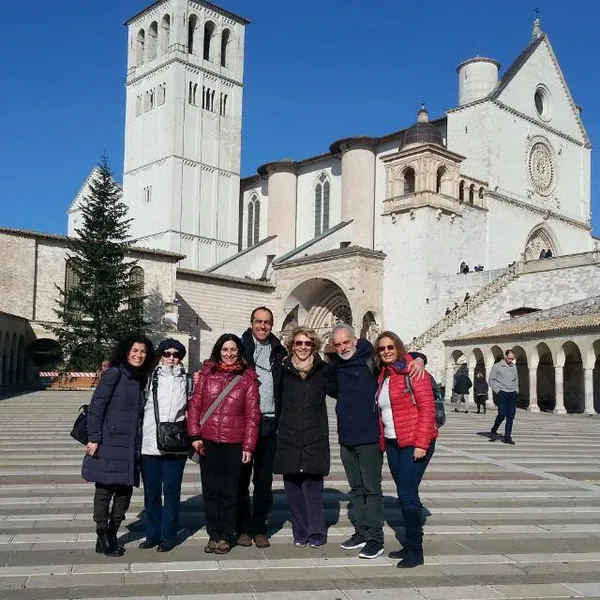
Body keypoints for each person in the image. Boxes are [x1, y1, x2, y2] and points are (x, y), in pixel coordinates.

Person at [328, 323, 426, 559]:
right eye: (338, 344)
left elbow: (400, 359)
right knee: (356, 488)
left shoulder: (370, 358)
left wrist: (420, 358)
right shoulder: (335, 367)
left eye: (346, 342)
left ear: (354, 339)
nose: (343, 347)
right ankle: (361, 532)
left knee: (372, 489)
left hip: (370, 437)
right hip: (346, 437)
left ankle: (375, 538)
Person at [82, 333, 155, 557]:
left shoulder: (142, 377)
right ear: (126, 352)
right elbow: (97, 406)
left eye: (142, 352)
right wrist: (93, 437)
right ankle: (102, 533)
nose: (138, 355)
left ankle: (112, 533)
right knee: (104, 489)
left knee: (124, 491)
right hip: (109, 441)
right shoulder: (114, 373)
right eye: (134, 351)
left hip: (132, 443)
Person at [187, 334, 260, 555]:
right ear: (219, 351)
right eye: (225, 350)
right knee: (211, 491)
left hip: (234, 443)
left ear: (239, 352)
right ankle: (214, 534)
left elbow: (253, 415)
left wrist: (248, 446)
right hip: (208, 442)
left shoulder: (247, 378)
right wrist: (194, 435)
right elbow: (194, 407)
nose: (229, 354)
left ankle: (227, 535)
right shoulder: (207, 375)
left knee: (230, 492)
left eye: (233, 350)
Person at [374, 331, 437, 569]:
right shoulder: (384, 374)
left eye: (390, 347)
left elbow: (428, 409)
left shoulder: (414, 371)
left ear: (399, 348)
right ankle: (410, 544)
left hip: (414, 442)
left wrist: (422, 444)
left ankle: (415, 549)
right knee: (406, 493)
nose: (387, 351)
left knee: (407, 494)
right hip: (393, 443)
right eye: (382, 348)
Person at [274, 327, 330, 548]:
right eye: (299, 343)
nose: (303, 347)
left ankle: (316, 531)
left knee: (313, 488)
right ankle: (300, 532)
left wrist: (417, 359)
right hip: (288, 434)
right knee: (293, 489)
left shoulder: (323, 370)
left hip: (314, 436)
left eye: (307, 343)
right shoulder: (282, 369)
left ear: (314, 346)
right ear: (291, 346)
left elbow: (345, 374)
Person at [237, 306, 287, 549]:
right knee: (241, 478)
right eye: (258, 321)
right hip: (245, 422)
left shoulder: (279, 351)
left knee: (264, 481)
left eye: (267, 322)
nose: (263, 326)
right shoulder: (240, 347)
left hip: (270, 421)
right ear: (251, 322)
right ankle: (243, 527)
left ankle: (259, 528)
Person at [139, 338, 190, 553]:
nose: (171, 358)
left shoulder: (188, 380)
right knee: (151, 492)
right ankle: (152, 534)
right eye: (167, 353)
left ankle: (168, 536)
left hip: (176, 444)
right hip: (150, 443)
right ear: (160, 355)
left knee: (171, 491)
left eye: (176, 354)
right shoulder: (149, 378)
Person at [488, 349, 519, 444]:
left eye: (512, 359)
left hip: (512, 393)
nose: (511, 360)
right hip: (502, 393)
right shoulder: (497, 367)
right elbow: (491, 380)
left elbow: (516, 379)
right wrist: (498, 391)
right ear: (505, 356)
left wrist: (516, 390)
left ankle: (507, 437)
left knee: (510, 416)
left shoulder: (514, 367)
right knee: (502, 414)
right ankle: (494, 430)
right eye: (510, 358)